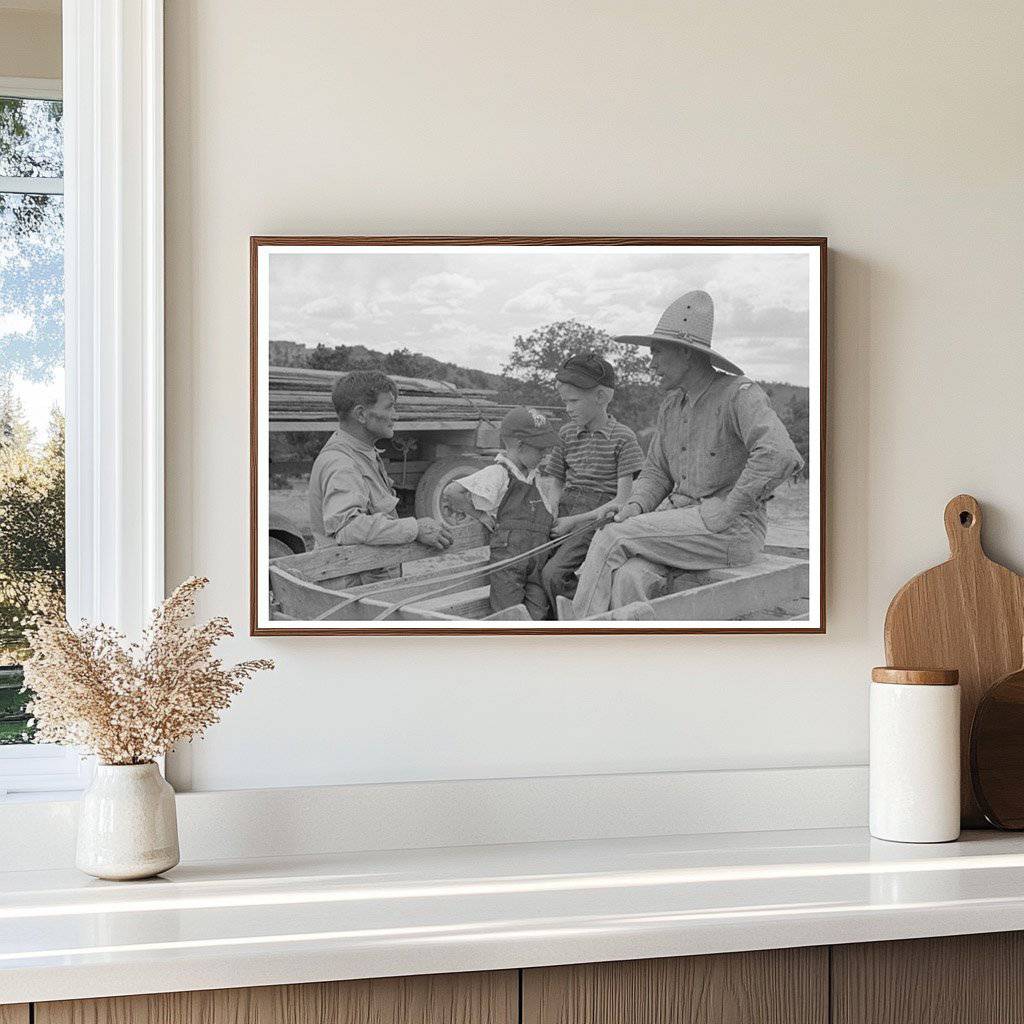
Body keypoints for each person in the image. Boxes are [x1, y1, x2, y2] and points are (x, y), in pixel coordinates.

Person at [564, 290, 803, 619]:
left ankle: (579, 637)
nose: (652, 364)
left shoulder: (738, 395)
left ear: (687, 354)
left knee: (611, 538)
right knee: (628, 578)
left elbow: (780, 455)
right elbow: (656, 473)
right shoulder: (671, 406)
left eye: (658, 353)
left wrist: (728, 510)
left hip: (732, 532)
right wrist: (633, 506)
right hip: (683, 528)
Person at [308, 371, 452, 583]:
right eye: (389, 406)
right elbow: (349, 528)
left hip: (365, 581)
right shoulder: (342, 463)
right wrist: (414, 528)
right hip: (351, 593)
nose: (396, 415)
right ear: (361, 415)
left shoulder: (361, 452)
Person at [540, 353, 644, 606]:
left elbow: (621, 500)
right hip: (564, 511)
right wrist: (553, 509)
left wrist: (572, 522)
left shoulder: (623, 438)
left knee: (553, 574)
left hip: (597, 517)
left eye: (573, 401)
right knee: (530, 568)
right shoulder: (566, 433)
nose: (567, 408)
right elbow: (556, 480)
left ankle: (586, 617)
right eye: (564, 402)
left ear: (601, 397)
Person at [442, 407, 560, 619]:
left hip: (538, 561)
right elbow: (452, 492)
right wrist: (480, 515)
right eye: (541, 449)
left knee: (538, 614)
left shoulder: (535, 477)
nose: (545, 455)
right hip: (510, 562)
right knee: (508, 614)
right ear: (520, 445)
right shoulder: (498, 473)